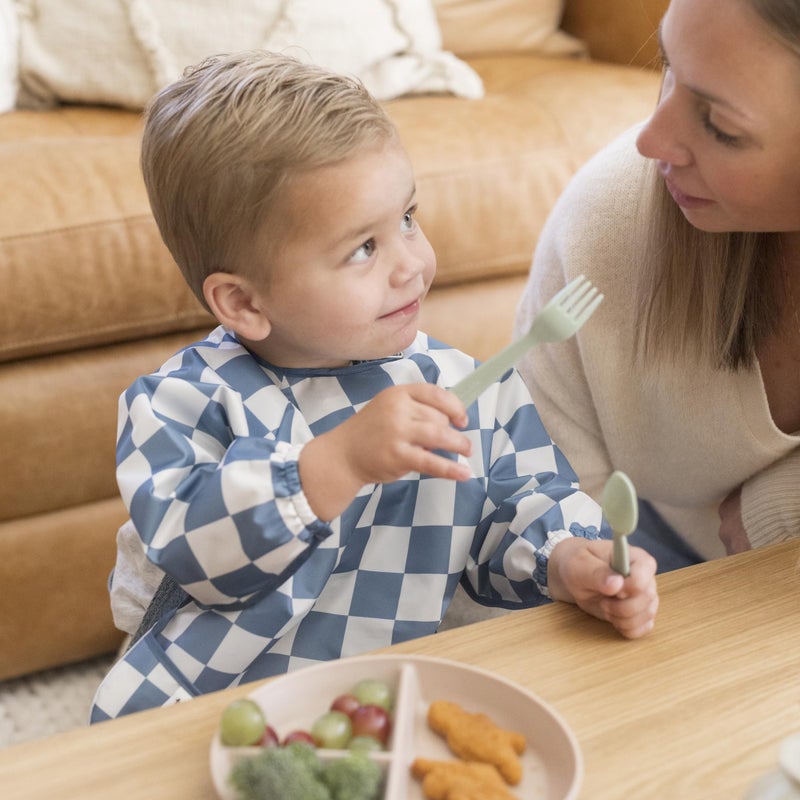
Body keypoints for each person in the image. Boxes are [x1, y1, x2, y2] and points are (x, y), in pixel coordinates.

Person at [90, 51, 657, 722]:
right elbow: (201, 555)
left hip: (380, 704)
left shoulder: (465, 383)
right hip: (207, 705)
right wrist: (337, 461)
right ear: (242, 303)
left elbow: (516, 508)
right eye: (364, 247)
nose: (412, 264)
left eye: (408, 218)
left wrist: (566, 560)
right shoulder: (179, 403)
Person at [514, 0, 800, 572]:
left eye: (720, 127)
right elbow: (531, 490)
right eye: (668, 63)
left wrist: (786, 504)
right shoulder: (606, 225)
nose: (650, 141)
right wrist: (572, 564)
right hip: (650, 556)